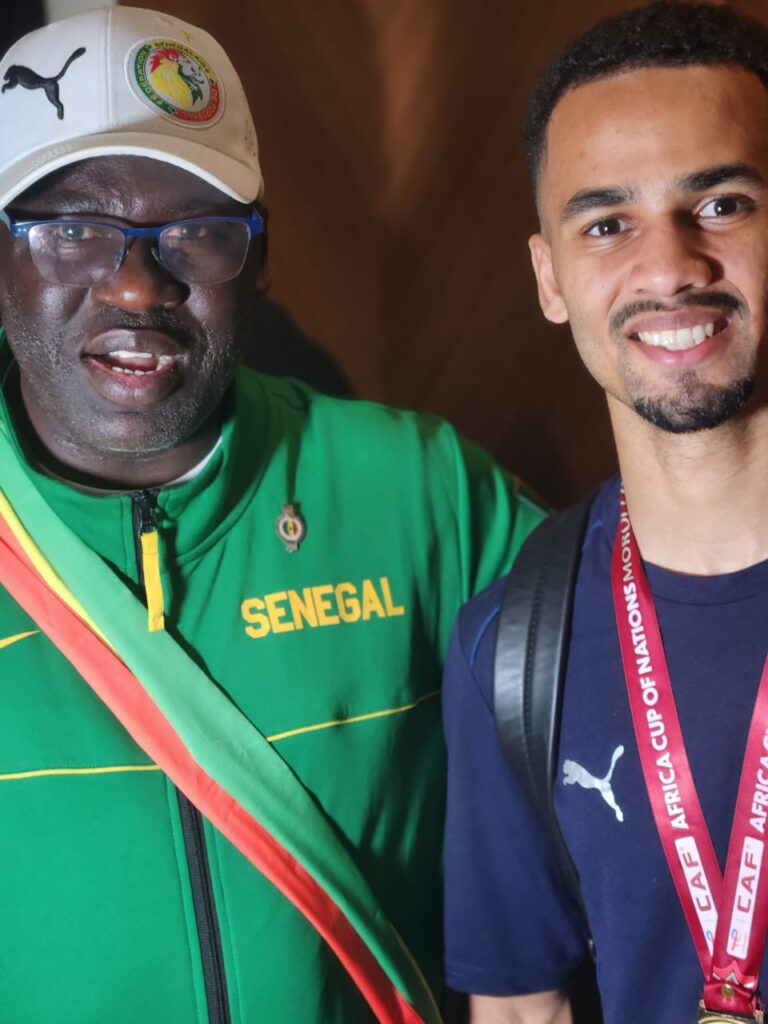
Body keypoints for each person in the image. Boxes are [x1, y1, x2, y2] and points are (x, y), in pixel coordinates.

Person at [0, 7, 542, 1023]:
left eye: (198, 231)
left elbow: (638, 723)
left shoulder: (419, 489)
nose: (137, 286)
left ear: (261, 262)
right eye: (71, 230)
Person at [442, 2, 768, 1022]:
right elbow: (519, 1008)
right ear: (550, 277)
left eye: (721, 203)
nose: (669, 267)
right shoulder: (511, 649)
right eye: (607, 224)